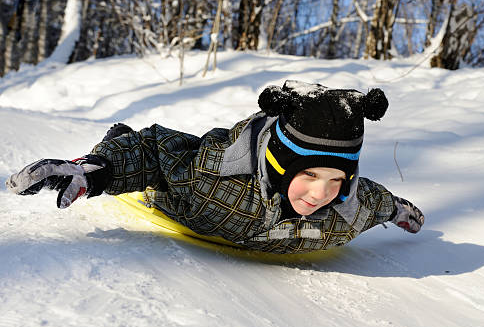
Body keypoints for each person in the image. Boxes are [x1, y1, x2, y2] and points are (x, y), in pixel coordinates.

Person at [6, 81, 424, 254]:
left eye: (336, 180)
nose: (320, 194)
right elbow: (155, 151)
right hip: (170, 197)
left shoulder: (347, 210)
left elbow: (375, 198)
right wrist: (97, 171)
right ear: (279, 166)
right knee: (133, 154)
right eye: (309, 175)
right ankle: (113, 143)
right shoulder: (208, 171)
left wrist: (400, 209)